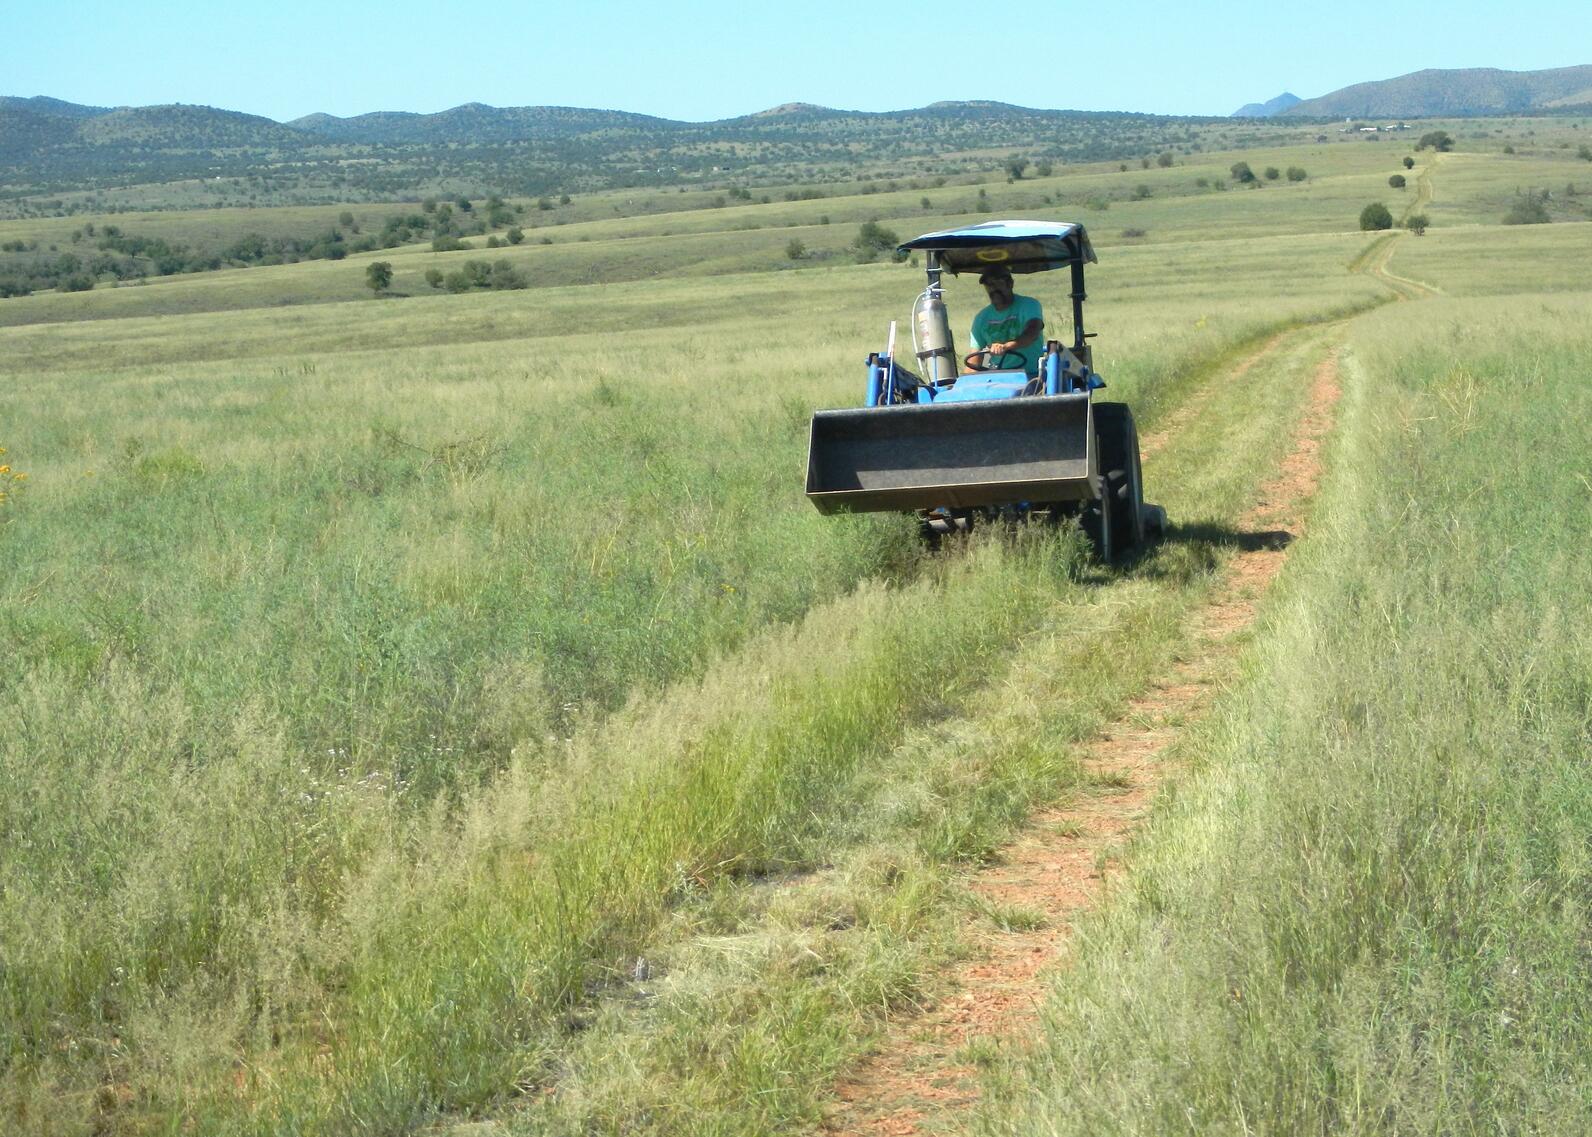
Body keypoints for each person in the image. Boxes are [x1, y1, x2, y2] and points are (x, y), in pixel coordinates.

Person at [970, 267, 1044, 377]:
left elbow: (1031, 333)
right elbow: (975, 359)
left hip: (1030, 376)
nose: (993, 289)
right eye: (989, 284)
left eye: (997, 283)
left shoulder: (1029, 305)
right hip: (995, 377)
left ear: (1010, 284)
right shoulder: (982, 318)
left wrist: (1005, 347)